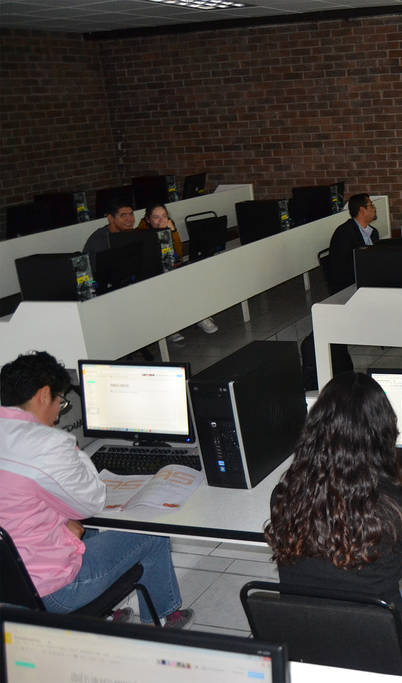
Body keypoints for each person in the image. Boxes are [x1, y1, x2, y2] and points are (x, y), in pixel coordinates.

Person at [265, 372, 402, 663]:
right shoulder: (392, 506)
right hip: (382, 646)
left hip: (307, 639)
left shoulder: (286, 494)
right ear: (382, 432)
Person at [0, 351, 191, 627]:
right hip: (53, 592)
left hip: (8, 585)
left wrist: (61, 524)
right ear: (43, 395)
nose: (58, 413)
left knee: (86, 529)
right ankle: (160, 622)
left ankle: (104, 614)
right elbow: (92, 502)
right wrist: (69, 446)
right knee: (151, 533)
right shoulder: (46, 443)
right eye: (60, 401)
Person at [138, 204, 218, 338]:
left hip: (169, 269)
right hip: (151, 275)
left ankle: (199, 316)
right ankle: (170, 326)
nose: (161, 220)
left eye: (164, 216)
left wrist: (173, 232)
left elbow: (179, 253)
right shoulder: (141, 233)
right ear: (148, 219)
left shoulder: (168, 228)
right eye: (156, 217)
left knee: (193, 276)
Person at [326, 194, 379, 294]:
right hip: (349, 284)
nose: (374, 208)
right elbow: (342, 267)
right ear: (362, 210)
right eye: (371, 205)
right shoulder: (344, 233)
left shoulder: (373, 232)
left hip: (369, 278)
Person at [82, 198, 135, 273]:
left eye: (131, 214)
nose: (130, 219)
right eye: (123, 215)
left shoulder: (128, 233)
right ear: (110, 218)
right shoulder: (99, 241)